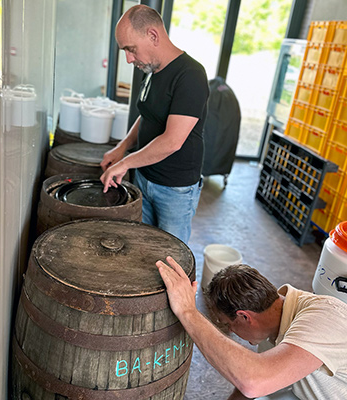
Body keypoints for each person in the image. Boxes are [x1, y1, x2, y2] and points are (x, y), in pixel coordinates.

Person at [156, 257, 347, 400]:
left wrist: (188, 312)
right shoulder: (274, 321)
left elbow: (253, 382)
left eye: (228, 325)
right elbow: (247, 384)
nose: (231, 332)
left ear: (245, 316)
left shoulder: (324, 318)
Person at [100, 5, 209, 244]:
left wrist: (125, 163)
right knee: (143, 248)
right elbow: (147, 115)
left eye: (131, 49)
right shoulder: (150, 70)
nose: (129, 59)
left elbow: (172, 141)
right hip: (144, 177)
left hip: (174, 190)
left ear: (152, 35)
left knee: (170, 254)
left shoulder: (190, 75)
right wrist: (122, 148)